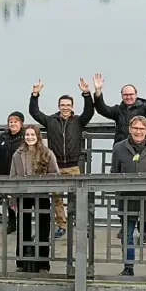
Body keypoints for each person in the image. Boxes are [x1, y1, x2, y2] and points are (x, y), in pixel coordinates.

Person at [28, 78, 95, 239]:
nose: (65, 107)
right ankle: (61, 224)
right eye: (62, 105)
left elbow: (89, 112)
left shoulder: (78, 121)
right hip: (55, 165)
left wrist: (86, 94)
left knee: (78, 197)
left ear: (72, 107)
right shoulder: (51, 121)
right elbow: (34, 113)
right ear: (59, 106)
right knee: (56, 197)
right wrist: (35, 94)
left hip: (73, 166)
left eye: (68, 105)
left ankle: (80, 225)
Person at [112, 116, 146, 277]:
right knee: (127, 235)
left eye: (142, 129)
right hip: (127, 199)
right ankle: (128, 267)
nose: (138, 131)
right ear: (129, 129)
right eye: (135, 128)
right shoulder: (119, 148)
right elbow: (114, 171)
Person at [10, 124, 59, 273]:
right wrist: (12, 199)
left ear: (38, 137)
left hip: (42, 194)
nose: (29, 137)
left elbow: (55, 173)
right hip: (23, 194)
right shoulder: (17, 154)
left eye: (32, 135)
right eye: (27, 135)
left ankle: (43, 263)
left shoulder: (47, 153)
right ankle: (21, 261)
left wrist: (41, 179)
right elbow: (12, 177)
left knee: (43, 228)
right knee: (22, 228)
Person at [93, 69, 146, 144]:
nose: (128, 97)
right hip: (121, 148)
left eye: (131, 94)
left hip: (140, 148)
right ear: (121, 96)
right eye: (125, 95)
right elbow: (102, 109)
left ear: (136, 95)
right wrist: (98, 91)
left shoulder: (145, 109)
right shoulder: (118, 110)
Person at [0, 112, 26, 234]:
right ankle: (12, 223)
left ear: (21, 123)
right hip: (4, 172)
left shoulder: (24, 137)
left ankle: (23, 224)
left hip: (19, 174)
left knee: (21, 199)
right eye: (10, 122)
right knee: (7, 199)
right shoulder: (3, 136)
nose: (12, 124)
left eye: (15, 121)